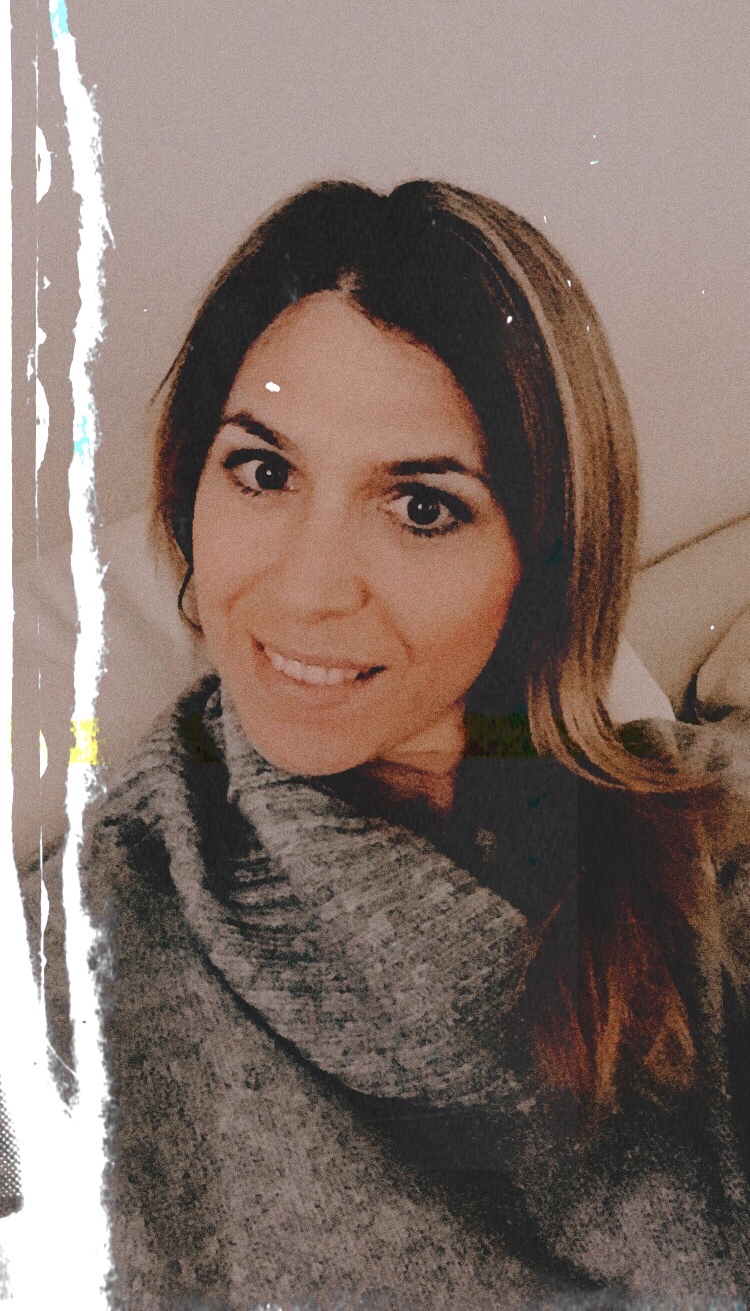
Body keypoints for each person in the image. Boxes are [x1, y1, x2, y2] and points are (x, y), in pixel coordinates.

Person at [43, 180, 750, 1307]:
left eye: (422, 506)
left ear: (547, 554)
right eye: (264, 472)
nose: (308, 589)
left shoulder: (712, 837)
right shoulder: (86, 947)